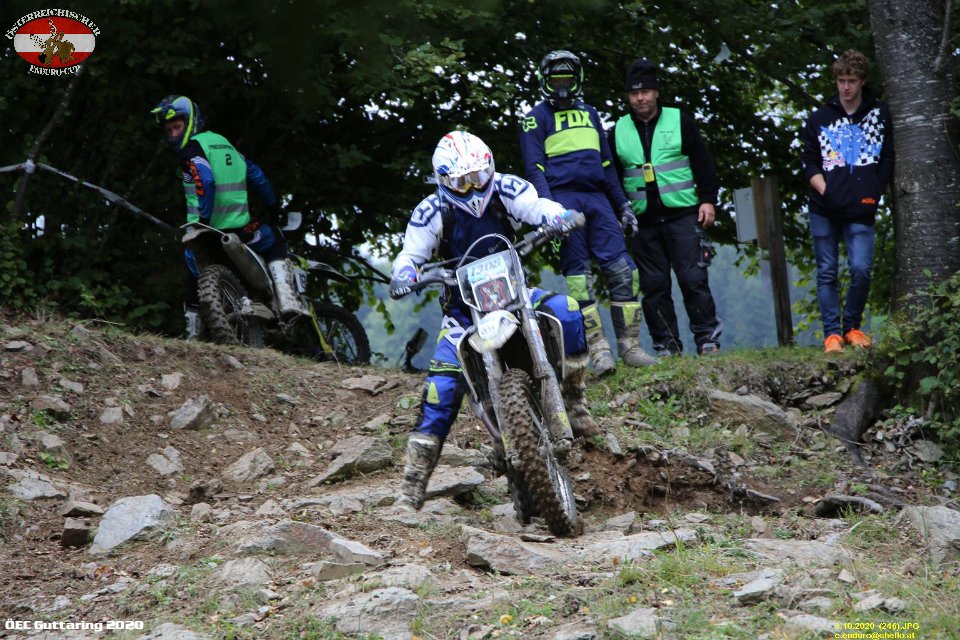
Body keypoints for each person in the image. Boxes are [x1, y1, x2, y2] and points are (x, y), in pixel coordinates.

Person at [390, 130, 599, 511]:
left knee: (568, 311)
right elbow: (410, 254)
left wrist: (559, 217)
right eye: (461, 182)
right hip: (463, 315)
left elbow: (538, 206)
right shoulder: (431, 210)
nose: (472, 188)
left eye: (477, 177)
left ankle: (574, 401)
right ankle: (412, 486)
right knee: (439, 390)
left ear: (489, 168)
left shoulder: (506, 188)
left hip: (517, 298)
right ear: (443, 180)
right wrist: (405, 274)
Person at [519, 50, 655, 375]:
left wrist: (623, 205)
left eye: (567, 79)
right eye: (557, 80)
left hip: (598, 199)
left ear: (578, 80)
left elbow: (608, 166)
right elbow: (535, 170)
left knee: (624, 271)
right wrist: (550, 214)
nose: (563, 86)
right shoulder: (533, 119)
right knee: (579, 280)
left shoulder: (591, 113)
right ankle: (599, 351)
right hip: (562, 203)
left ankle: (631, 347)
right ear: (545, 82)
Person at [151, 95, 305, 338]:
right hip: (242, 231)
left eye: (177, 127)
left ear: (191, 122)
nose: (173, 135)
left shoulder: (191, 151)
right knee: (275, 240)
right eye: (169, 130)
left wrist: (203, 220)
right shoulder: (225, 145)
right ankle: (288, 300)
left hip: (205, 231)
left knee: (194, 270)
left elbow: (206, 180)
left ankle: (192, 333)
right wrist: (274, 208)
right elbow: (257, 176)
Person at [609, 58, 723, 357]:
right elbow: (612, 177)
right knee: (653, 286)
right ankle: (666, 345)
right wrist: (620, 211)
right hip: (642, 221)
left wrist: (708, 199)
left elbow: (704, 163)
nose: (640, 98)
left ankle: (707, 340)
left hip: (683, 215)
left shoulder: (679, 120)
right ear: (628, 97)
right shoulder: (618, 130)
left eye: (645, 91)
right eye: (634, 93)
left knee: (693, 279)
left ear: (656, 92)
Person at [800, 50, 894, 353]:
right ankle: (832, 335)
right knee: (827, 271)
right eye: (841, 80)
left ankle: (852, 327)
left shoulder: (879, 114)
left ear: (862, 81)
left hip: (862, 207)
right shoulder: (820, 117)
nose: (845, 87)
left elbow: (887, 158)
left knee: (861, 268)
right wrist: (826, 191)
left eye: (851, 80)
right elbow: (809, 162)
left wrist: (875, 191)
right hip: (824, 208)